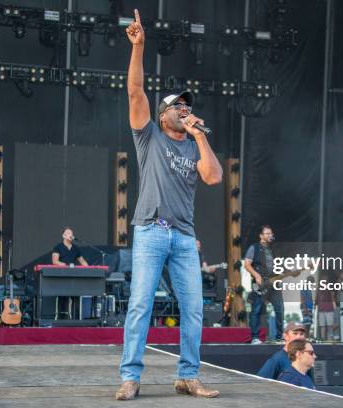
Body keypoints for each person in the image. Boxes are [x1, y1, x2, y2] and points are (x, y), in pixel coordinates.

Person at [116, 9, 223, 401]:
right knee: (141, 305)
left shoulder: (192, 142)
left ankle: (187, 376)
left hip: (183, 237)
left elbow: (213, 176)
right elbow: (134, 92)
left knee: (194, 309)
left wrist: (198, 136)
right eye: (177, 107)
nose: (184, 110)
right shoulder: (149, 138)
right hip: (150, 231)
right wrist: (139, 47)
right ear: (162, 116)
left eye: (186, 106)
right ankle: (130, 376)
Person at [244, 225, 284, 344]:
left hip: (274, 283)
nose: (270, 235)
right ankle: (255, 337)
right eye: (267, 233)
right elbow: (247, 264)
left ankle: (279, 336)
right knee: (256, 309)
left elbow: (280, 266)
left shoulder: (274, 249)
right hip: (260, 283)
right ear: (261, 235)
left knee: (279, 309)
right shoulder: (254, 248)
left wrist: (289, 273)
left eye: (271, 233)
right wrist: (256, 275)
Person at [51, 227, 88, 319]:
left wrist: (89, 269)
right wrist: (64, 265)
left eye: (71, 233)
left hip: (73, 276)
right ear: (63, 235)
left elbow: (82, 261)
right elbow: (55, 261)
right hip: (61, 275)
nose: (70, 235)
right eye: (68, 233)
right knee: (61, 296)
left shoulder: (76, 248)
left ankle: (75, 318)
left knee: (75, 295)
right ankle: (60, 318)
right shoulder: (58, 247)